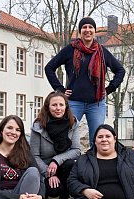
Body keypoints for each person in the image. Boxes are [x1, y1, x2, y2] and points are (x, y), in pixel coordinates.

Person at [45, 16, 125, 147]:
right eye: (84, 27)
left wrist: (109, 89)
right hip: (74, 102)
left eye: (90, 27)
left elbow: (120, 70)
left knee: (98, 140)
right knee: (67, 136)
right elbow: (49, 67)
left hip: (96, 104)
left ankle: (96, 166)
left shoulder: (101, 52)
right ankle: (68, 165)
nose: (87, 30)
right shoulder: (70, 49)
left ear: (94, 31)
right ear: (80, 31)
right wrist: (60, 90)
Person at [30, 91, 81, 199]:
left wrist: (56, 160)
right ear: (47, 107)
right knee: (53, 190)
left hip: (63, 165)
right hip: (45, 168)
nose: (58, 108)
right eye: (54, 105)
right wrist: (49, 172)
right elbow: (34, 155)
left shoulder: (72, 123)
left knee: (71, 164)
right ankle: (44, 193)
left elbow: (76, 150)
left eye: (61, 105)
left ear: (66, 107)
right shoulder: (38, 126)